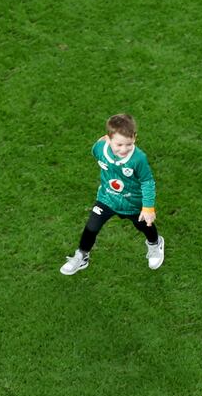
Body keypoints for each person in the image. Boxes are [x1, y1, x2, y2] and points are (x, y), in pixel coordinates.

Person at [59, 114, 164, 275]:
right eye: (119, 144)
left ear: (135, 137)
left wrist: (148, 207)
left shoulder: (139, 158)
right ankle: (81, 255)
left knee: (144, 225)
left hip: (133, 203)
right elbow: (96, 151)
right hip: (107, 198)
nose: (123, 149)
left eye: (128, 144)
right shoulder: (99, 149)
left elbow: (147, 182)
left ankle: (155, 244)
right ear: (108, 139)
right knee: (91, 227)